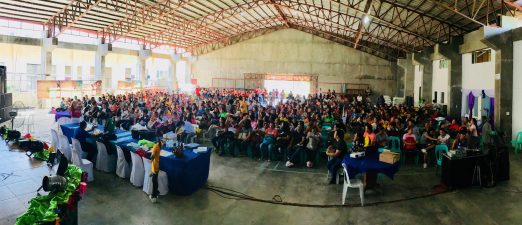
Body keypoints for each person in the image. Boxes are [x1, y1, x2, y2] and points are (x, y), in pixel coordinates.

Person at [149, 130, 163, 203]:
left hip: (154, 165)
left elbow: (152, 157)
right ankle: (156, 191)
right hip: (157, 163)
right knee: (155, 179)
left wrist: (150, 157)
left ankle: (154, 196)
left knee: (154, 181)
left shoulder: (155, 146)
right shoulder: (161, 143)